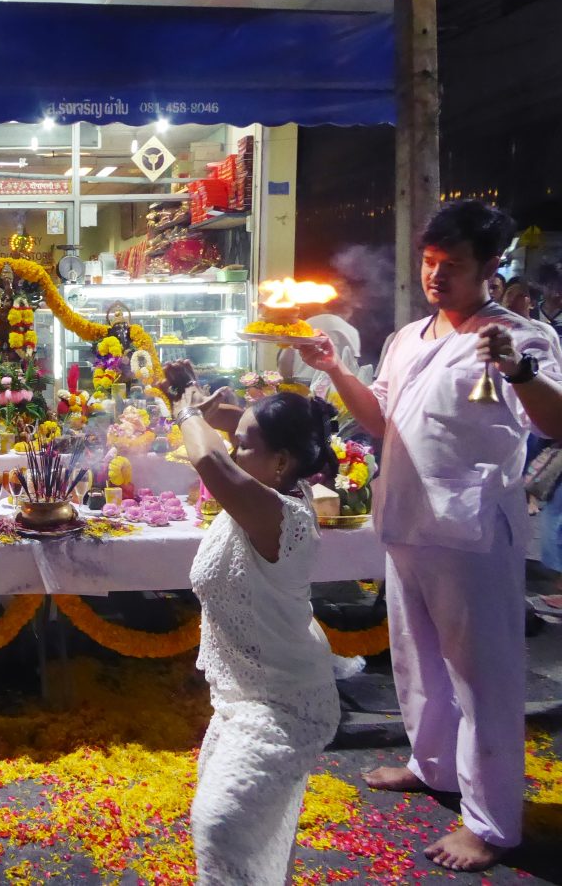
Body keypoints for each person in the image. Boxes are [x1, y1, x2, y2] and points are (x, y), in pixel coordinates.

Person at [298, 200, 562, 872]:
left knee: (483, 679)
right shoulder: (409, 336)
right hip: (405, 520)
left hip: (471, 529)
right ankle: (434, 764)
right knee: (417, 661)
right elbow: (381, 420)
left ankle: (492, 823)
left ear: (489, 270)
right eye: (429, 262)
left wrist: (519, 373)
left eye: (453, 265)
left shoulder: (520, 337)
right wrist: (333, 369)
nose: (436, 276)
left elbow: (556, 423)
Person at [167, 368, 340, 885]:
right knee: (246, 833)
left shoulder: (280, 515)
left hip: (286, 703)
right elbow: (228, 437)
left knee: (223, 827)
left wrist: (184, 408)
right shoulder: (262, 488)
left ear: (282, 462)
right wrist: (210, 401)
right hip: (242, 695)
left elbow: (208, 458)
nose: (231, 448)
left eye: (242, 445)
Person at [278, 291, 361, 385]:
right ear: (347, 311)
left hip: (301, 383)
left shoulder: (306, 324)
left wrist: (284, 383)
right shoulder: (351, 331)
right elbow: (353, 366)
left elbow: (284, 360)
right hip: (334, 386)